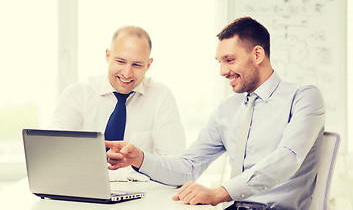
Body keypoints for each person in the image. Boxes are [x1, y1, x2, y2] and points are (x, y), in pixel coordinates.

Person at [105, 17, 325, 210]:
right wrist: (140, 159)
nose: (223, 71)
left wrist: (219, 193)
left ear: (257, 54)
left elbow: (288, 158)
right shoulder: (227, 109)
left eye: (229, 60)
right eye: (220, 62)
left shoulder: (304, 98)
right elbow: (188, 167)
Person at [49, 26, 186, 179]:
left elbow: (177, 168)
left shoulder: (161, 97)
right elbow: (54, 150)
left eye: (137, 65)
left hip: (140, 194)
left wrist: (140, 159)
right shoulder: (78, 94)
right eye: (121, 61)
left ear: (148, 64)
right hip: (84, 187)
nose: (127, 73)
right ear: (108, 56)